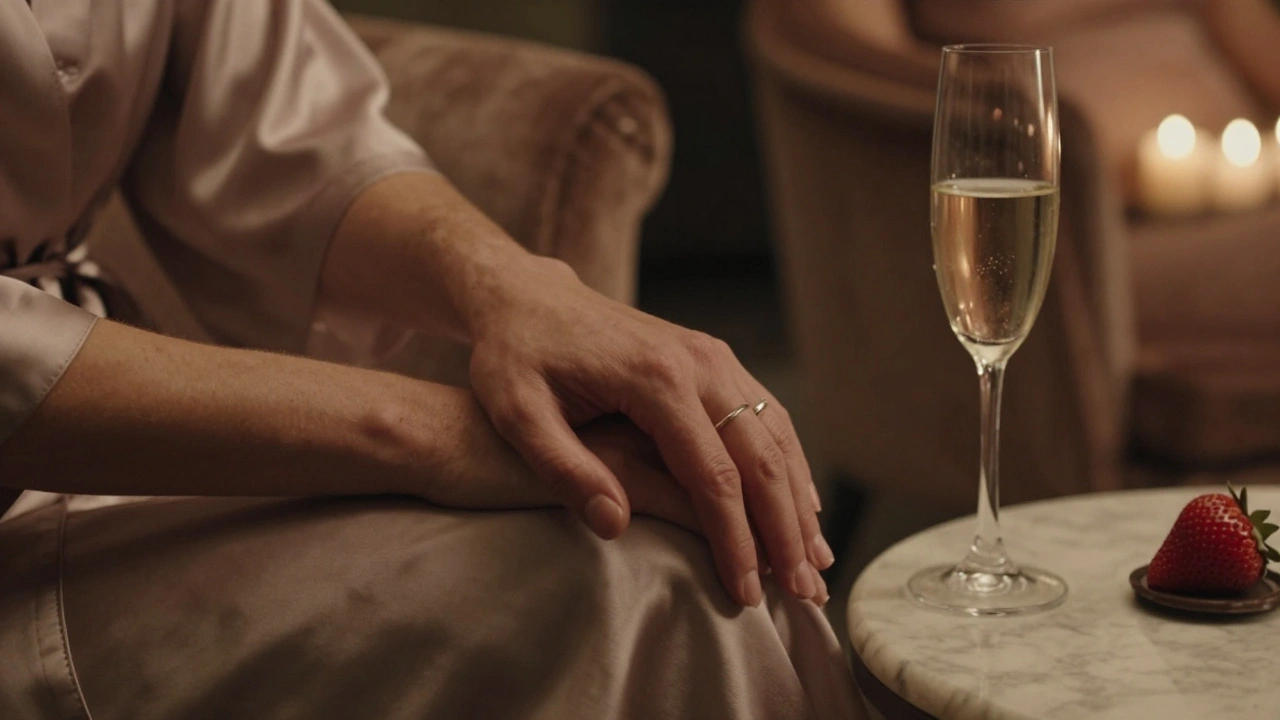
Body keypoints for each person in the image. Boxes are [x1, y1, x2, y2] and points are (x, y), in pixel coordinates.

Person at [0, 1, 860, 718]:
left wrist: (516, 289)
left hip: (105, 482)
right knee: (646, 593)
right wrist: (430, 432)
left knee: (709, 554)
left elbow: (281, 128)